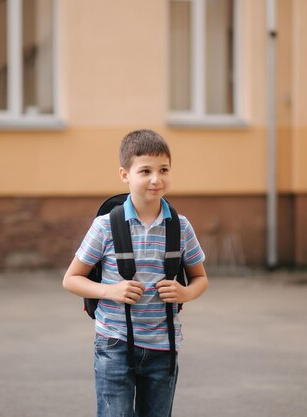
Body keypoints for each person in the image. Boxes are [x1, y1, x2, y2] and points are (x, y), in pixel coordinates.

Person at [63, 129, 209, 417]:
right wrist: (109, 290)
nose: (156, 179)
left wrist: (186, 292)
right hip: (114, 342)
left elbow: (200, 278)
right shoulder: (106, 226)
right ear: (124, 174)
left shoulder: (180, 227)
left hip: (163, 346)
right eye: (145, 170)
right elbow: (71, 279)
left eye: (163, 169)